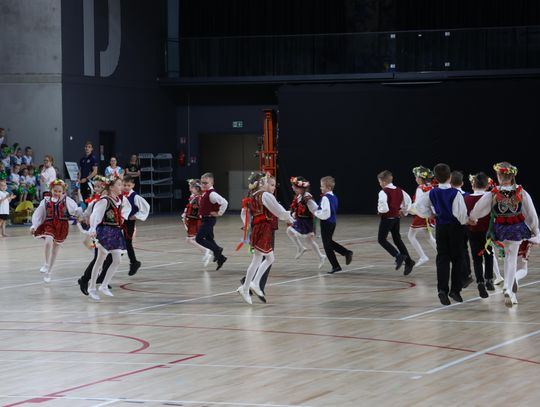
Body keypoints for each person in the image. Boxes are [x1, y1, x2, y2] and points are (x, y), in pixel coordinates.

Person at [470, 162, 539, 307]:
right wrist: (534, 229)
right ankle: (508, 287)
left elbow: (479, 208)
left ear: (499, 176)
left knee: (508, 256)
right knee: (511, 258)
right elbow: (531, 214)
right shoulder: (521, 192)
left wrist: (473, 217)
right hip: (516, 229)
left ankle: (509, 288)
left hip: (501, 229)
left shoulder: (494, 193)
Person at [237, 172, 295, 304]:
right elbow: (279, 212)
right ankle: (246, 288)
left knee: (269, 258)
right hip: (263, 229)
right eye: (266, 181)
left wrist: (288, 217)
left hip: (260, 228)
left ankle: (254, 283)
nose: (270, 185)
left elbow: (245, 213)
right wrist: (291, 216)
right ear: (261, 183)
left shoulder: (253, 196)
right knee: (258, 260)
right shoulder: (265, 195)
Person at [416, 163, 469, 305]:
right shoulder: (456, 193)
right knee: (457, 258)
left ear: (435, 177)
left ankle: (442, 290)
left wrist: (430, 214)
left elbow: (419, 206)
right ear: (450, 177)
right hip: (455, 227)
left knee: (442, 258)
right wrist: (467, 221)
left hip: (440, 227)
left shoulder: (432, 192)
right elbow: (461, 214)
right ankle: (455, 290)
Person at [87, 177, 131, 300]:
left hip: (115, 232)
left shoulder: (118, 200)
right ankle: (92, 288)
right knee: (100, 260)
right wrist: (93, 228)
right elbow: (95, 214)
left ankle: (104, 285)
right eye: (119, 185)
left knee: (117, 260)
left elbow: (125, 210)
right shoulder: (104, 200)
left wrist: (122, 217)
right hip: (105, 232)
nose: (121, 187)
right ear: (111, 187)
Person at [30, 179, 83, 282]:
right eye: (55, 191)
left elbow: (74, 210)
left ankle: (49, 272)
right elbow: (38, 214)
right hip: (49, 224)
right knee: (48, 241)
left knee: (55, 249)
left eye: (59, 191)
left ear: (63, 191)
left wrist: (78, 213)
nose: (57, 193)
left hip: (61, 226)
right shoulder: (46, 201)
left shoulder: (67, 200)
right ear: (51, 190)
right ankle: (46, 263)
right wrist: (34, 225)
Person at [376, 170, 415, 275]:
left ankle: (398, 256)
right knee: (397, 240)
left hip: (387, 218)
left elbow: (384, 207)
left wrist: (380, 211)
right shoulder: (400, 190)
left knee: (381, 239)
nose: (380, 184)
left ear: (384, 182)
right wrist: (404, 211)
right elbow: (408, 201)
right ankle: (409, 261)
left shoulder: (383, 192)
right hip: (396, 218)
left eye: (380, 182)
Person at [314, 176, 353, 274]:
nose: (321, 188)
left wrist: (316, 213)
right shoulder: (334, 197)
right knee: (329, 242)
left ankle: (336, 266)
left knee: (327, 245)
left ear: (328, 187)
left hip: (326, 222)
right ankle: (346, 252)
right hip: (332, 222)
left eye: (322, 186)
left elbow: (326, 213)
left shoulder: (325, 198)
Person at [464, 172, 493, 298]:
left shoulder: (466, 198)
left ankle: (480, 282)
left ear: (473, 184)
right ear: (487, 185)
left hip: (472, 231)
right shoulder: (490, 197)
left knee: (476, 258)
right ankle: (489, 280)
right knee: (489, 255)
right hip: (487, 231)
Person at [286, 176, 326, 268]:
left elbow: (315, 209)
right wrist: (293, 214)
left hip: (306, 222)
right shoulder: (299, 196)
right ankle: (321, 256)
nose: (294, 189)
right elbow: (296, 208)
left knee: (290, 231)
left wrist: (319, 220)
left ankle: (301, 247)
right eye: (294, 187)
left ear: (302, 188)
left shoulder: (307, 198)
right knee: (308, 240)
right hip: (301, 220)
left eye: (296, 188)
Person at [195, 172, 228, 270]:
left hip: (209, 220)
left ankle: (217, 250)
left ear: (212, 183)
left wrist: (219, 213)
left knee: (198, 239)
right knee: (209, 239)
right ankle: (221, 258)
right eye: (202, 183)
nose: (203, 185)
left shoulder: (212, 194)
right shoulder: (205, 192)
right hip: (205, 219)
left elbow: (224, 202)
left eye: (206, 183)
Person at [407, 166, 436, 267]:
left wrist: (409, 209)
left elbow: (418, 204)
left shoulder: (420, 188)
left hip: (422, 215)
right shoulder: (431, 186)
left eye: (416, 177)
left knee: (411, 235)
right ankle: (442, 254)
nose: (415, 179)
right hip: (428, 214)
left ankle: (423, 256)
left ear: (420, 178)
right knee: (429, 237)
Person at [122, 175, 150, 275]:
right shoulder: (120, 195)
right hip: (119, 221)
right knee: (121, 243)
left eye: (128, 185)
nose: (126, 187)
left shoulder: (135, 197)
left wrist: (136, 216)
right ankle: (132, 262)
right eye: (124, 185)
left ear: (133, 185)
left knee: (127, 242)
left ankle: (134, 262)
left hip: (129, 222)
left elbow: (146, 207)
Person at [182, 179, 212, 266]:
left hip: (195, 221)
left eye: (191, 187)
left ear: (197, 188)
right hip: (193, 220)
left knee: (190, 239)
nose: (190, 189)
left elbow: (195, 211)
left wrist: (187, 216)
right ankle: (205, 251)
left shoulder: (198, 198)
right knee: (191, 239)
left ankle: (206, 250)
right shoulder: (194, 197)